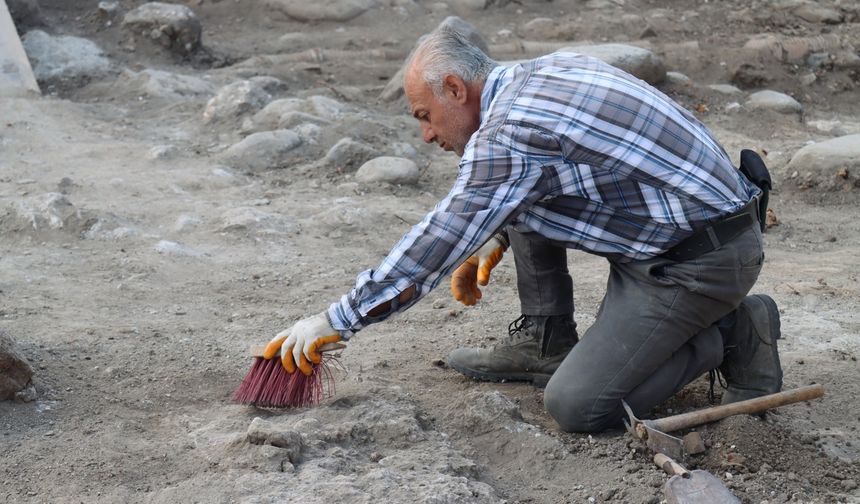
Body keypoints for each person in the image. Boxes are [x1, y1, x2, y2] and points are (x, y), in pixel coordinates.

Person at [261, 26, 783, 432]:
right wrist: (495, 234)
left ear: (454, 88)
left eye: (426, 115)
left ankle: (731, 332)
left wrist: (338, 318)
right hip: (677, 230)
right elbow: (571, 170)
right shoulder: (541, 73)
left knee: (578, 407)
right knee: (505, 204)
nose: (425, 134)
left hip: (696, 263)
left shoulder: (509, 131)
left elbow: (441, 235)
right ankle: (546, 338)